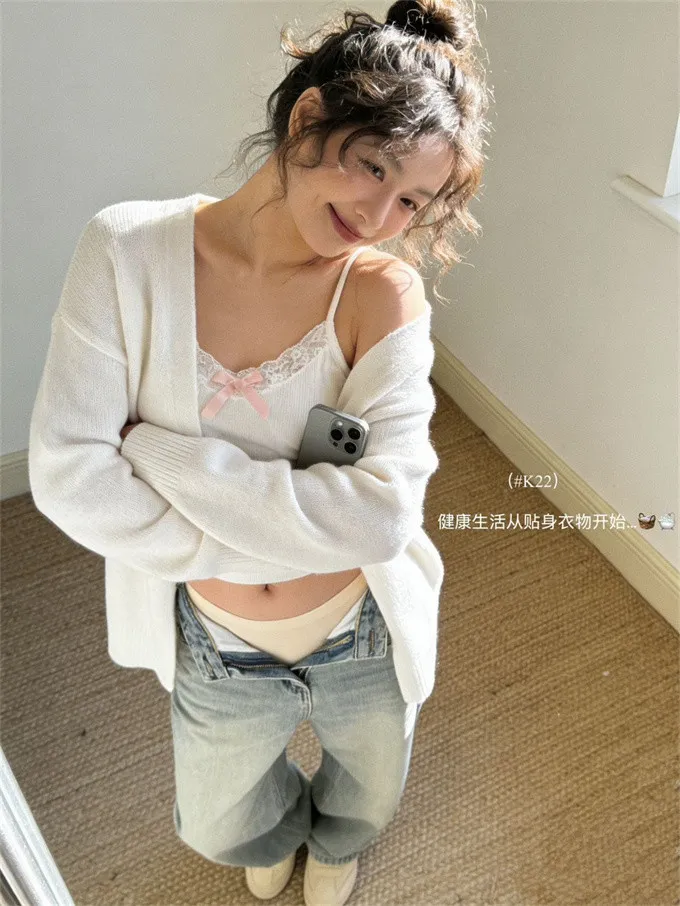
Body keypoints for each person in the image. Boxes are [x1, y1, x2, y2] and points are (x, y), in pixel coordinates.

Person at [29, 1, 491, 904]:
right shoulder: (126, 252)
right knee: (216, 822)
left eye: (411, 201)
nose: (379, 216)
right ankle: (276, 829)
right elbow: (68, 477)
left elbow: (383, 516)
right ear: (309, 117)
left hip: (362, 626)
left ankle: (339, 841)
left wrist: (162, 458)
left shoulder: (383, 296)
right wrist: (293, 531)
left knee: (369, 790)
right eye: (374, 168)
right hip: (219, 639)